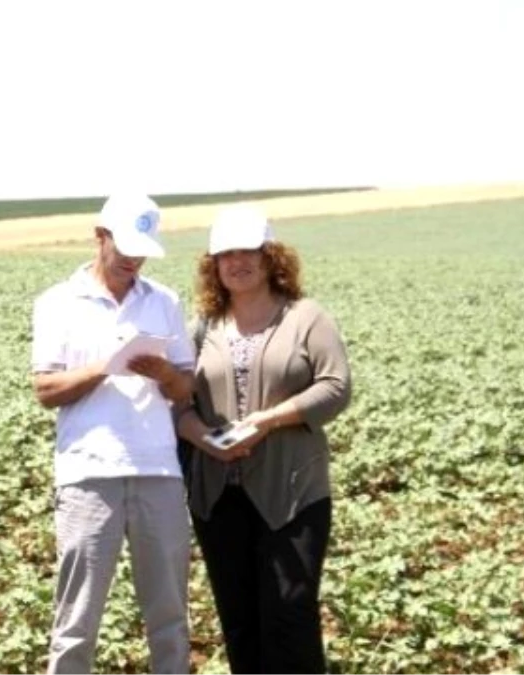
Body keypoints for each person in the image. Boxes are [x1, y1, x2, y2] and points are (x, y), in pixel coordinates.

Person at [174, 205, 352, 674]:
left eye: (248, 250)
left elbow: (336, 387)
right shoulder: (203, 327)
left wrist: (271, 419)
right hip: (218, 496)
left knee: (290, 613)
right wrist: (205, 438)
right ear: (213, 265)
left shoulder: (307, 317)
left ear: (271, 256)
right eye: (225, 254)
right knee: (239, 620)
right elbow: (178, 405)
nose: (237, 261)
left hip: (293, 491)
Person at [31, 193, 195, 675]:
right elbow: (45, 389)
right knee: (77, 618)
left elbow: (185, 386)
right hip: (87, 474)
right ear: (99, 236)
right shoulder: (58, 302)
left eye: (141, 248)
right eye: (124, 245)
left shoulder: (164, 302)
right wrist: (106, 367)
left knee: (169, 615)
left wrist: (164, 373)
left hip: (158, 470)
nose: (133, 258)